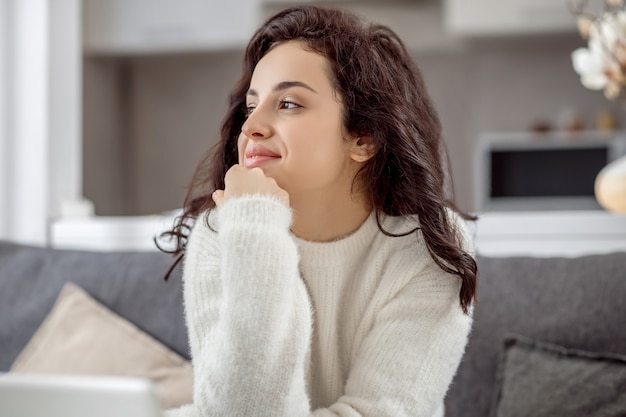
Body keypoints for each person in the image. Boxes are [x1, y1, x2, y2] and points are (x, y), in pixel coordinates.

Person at [160, 5, 478, 417]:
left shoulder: (429, 248)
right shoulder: (225, 230)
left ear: (363, 137)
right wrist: (255, 229)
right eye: (251, 106)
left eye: (289, 103)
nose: (252, 126)